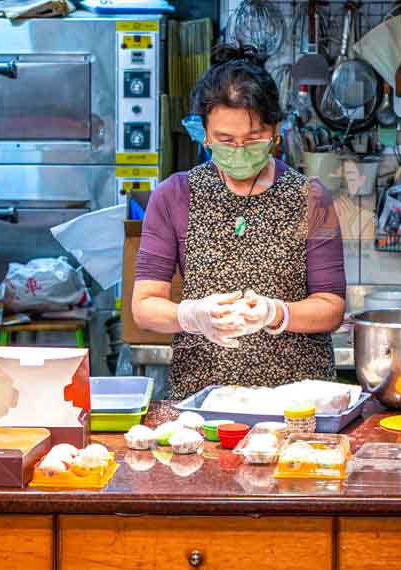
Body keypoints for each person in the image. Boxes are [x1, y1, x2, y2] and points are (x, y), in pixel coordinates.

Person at [131, 44, 347, 400]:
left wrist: (276, 313)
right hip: (201, 400)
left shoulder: (312, 197)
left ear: (275, 131)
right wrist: (192, 315)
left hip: (296, 403)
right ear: (203, 133)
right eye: (225, 140)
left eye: (253, 139)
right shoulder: (173, 195)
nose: (239, 149)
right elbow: (145, 305)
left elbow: (331, 306)